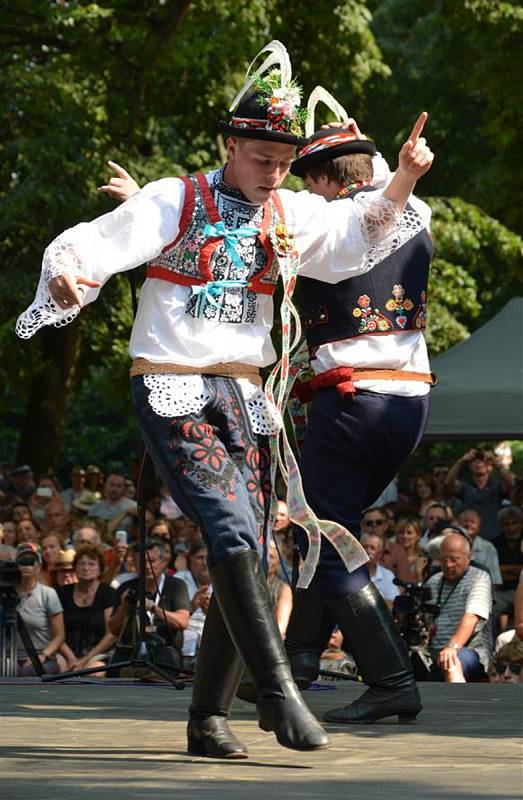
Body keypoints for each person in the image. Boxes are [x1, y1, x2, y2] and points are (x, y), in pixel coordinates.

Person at [16, 42, 432, 757]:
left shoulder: (291, 213)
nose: (274, 173)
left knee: (258, 554)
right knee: (234, 532)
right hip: (172, 383)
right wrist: (68, 277)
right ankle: (277, 695)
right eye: (262, 159)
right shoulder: (175, 197)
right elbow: (98, 243)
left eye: (283, 161)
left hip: (246, 392)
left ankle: (208, 720)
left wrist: (400, 178)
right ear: (230, 144)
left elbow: (357, 233)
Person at [279, 87, 434, 726]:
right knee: (332, 522)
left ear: (319, 178)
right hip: (407, 405)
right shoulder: (419, 211)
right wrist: (388, 169)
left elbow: (358, 222)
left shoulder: (326, 223)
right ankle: (299, 660)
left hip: (353, 401)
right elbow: (379, 204)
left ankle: (393, 680)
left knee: (320, 533)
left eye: (304, 179)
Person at [108, 537, 190, 675]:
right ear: (133, 563)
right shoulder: (126, 588)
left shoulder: (176, 585)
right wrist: (124, 608)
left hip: (164, 647)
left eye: (152, 561)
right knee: (114, 671)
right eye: (141, 562)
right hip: (131, 648)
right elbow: (113, 630)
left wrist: (155, 609)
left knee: (165, 663)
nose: (146, 566)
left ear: (164, 562)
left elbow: (182, 622)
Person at [425, 533, 492, 682]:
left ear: (468, 557)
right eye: (444, 559)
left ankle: (457, 704)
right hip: (432, 650)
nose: (449, 565)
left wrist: (452, 647)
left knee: (451, 663)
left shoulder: (479, 578)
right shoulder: (433, 581)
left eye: (454, 560)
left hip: (470, 649)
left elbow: (472, 616)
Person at [58, 543, 117, 672]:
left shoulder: (107, 593)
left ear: (100, 569)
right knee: (57, 668)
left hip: (97, 655)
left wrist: (84, 660)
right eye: (81, 564)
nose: (86, 568)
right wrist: (72, 659)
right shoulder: (62, 593)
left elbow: (111, 634)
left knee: (94, 672)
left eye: (91, 564)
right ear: (75, 567)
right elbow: (57, 632)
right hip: (66, 654)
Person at [15, 543, 65, 675]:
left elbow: (60, 635)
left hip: (42, 657)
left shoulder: (48, 594)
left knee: (27, 673)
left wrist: (43, 655)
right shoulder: (6, 593)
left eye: (30, 562)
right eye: (22, 562)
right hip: (9, 656)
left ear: (39, 566)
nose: (26, 566)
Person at [445, 448, 515, 539]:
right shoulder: (465, 487)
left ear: (490, 467)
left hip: (494, 538)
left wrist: (496, 463)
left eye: (483, 461)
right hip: (470, 538)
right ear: (470, 467)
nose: (479, 463)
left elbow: (512, 484)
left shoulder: (497, 486)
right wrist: (462, 461)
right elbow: (448, 483)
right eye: (475, 461)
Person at [176, 539, 212, 668]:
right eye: (200, 558)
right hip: (183, 640)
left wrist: (211, 613)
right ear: (190, 560)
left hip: (211, 642)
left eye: (208, 557)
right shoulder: (180, 579)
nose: (205, 563)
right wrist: (191, 606)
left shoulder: (224, 581)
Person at [492, 506, 523, 631]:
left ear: (521, 523)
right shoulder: (494, 543)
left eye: (514, 523)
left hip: (521, 589)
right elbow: (495, 572)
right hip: (501, 592)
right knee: (490, 610)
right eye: (507, 524)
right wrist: (516, 570)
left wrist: (505, 569)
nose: (511, 528)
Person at [457, 509, 502, 586]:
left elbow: (495, 580)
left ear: (479, 528)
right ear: (458, 525)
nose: (468, 524)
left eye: (472, 522)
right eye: (465, 521)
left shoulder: (488, 547)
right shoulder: (451, 545)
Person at [360, 532, 399, 609]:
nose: (367, 551)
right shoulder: (350, 573)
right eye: (365, 547)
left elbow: (392, 604)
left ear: (380, 553)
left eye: (372, 548)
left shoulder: (388, 576)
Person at [395, 517, 427, 582]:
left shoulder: (424, 557)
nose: (404, 536)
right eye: (401, 532)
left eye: (409, 533)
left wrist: (418, 572)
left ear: (418, 536)